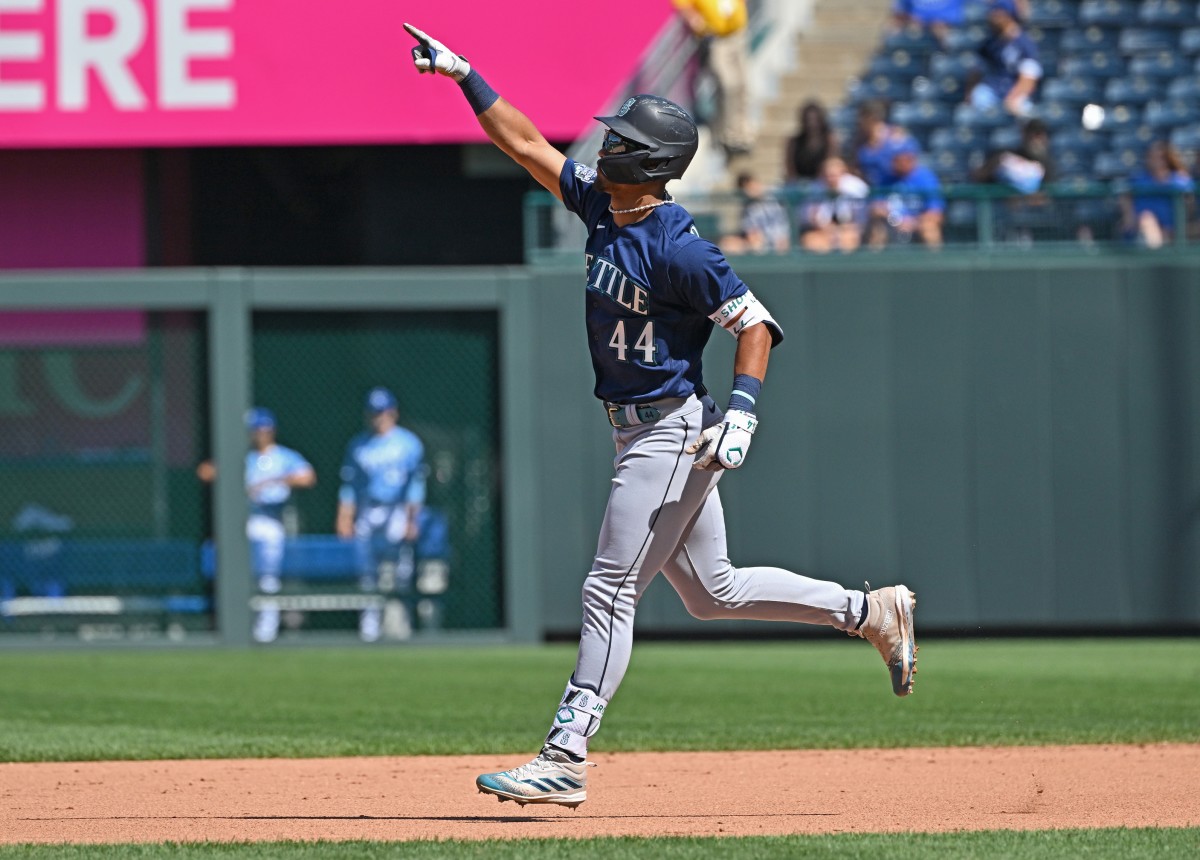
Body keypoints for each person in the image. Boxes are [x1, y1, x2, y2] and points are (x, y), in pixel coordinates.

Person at [403, 22, 919, 809]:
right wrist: (466, 75)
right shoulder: (605, 210)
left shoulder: (682, 250)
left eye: (621, 144)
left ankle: (565, 753)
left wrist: (741, 414)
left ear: (649, 165)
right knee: (715, 591)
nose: (604, 150)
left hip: (672, 429)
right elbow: (528, 149)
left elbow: (756, 326)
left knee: (610, 588)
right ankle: (869, 611)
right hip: (638, 428)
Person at [197, 407, 316, 643]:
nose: (257, 434)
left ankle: (266, 631)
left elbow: (308, 477)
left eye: (260, 429)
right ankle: (238, 626)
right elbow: (205, 472)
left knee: (268, 579)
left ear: (270, 430)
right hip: (245, 520)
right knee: (240, 575)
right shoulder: (243, 457)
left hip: (273, 519)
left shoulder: (283, 456)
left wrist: (275, 480)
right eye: (253, 430)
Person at [336, 387, 426, 642]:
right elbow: (349, 485)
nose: (379, 417)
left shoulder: (408, 443)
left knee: (402, 572)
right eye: (374, 412)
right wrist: (344, 516)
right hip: (368, 507)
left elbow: (416, 485)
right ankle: (369, 630)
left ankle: (401, 627)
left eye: (383, 412)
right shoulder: (359, 445)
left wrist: (412, 519)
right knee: (367, 572)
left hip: (397, 508)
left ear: (393, 412)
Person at [673, 0, 754, 158]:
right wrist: (695, 19)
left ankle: (742, 133)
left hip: (737, 34)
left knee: (742, 85)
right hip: (715, 39)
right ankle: (728, 136)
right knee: (727, 84)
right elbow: (682, 5)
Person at [868, 139, 945, 249]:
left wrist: (913, 223)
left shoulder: (925, 177)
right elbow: (876, 208)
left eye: (901, 158)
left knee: (930, 228)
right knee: (878, 229)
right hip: (893, 224)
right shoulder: (885, 178)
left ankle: (936, 264)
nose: (897, 162)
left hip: (918, 224)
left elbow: (936, 213)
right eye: (895, 159)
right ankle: (873, 265)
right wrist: (897, 221)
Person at [968, 0, 1041, 116]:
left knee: (1023, 108)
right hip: (993, 89)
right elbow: (976, 71)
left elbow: (1029, 78)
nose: (993, 18)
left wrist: (1013, 97)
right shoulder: (989, 43)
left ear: (1008, 14)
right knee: (979, 97)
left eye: (997, 14)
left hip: (1016, 90)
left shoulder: (1024, 43)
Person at [1120, 141, 1196, 249]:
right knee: (1147, 219)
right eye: (1153, 157)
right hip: (1143, 231)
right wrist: (1129, 215)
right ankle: (1156, 260)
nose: (1157, 161)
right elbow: (1124, 194)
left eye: (1161, 157)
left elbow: (1189, 204)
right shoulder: (1140, 179)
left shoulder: (1179, 180)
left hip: (1174, 231)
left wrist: (1176, 229)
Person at [799, 157, 870, 254]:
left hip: (848, 230)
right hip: (823, 231)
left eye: (834, 175)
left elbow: (860, 220)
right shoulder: (814, 189)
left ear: (843, 174)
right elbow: (808, 218)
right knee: (810, 241)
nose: (830, 179)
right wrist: (825, 227)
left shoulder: (856, 188)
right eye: (827, 175)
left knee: (847, 240)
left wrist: (841, 229)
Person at [719, 173, 791, 255]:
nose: (752, 189)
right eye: (746, 188)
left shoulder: (777, 193)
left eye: (751, 184)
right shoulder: (748, 210)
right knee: (728, 244)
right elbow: (752, 235)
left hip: (786, 239)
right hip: (764, 245)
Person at [850, 99, 913, 188]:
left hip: (895, 189)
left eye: (861, 119)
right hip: (872, 191)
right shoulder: (860, 142)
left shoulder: (895, 137)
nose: (859, 123)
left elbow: (908, 167)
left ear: (870, 118)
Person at [784, 101, 839, 184]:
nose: (811, 124)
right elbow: (790, 168)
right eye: (808, 120)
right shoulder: (794, 142)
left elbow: (830, 164)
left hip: (821, 182)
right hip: (799, 183)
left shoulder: (829, 140)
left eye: (814, 120)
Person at [891, 0, 966, 47]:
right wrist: (911, 20)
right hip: (919, 27)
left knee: (954, 40)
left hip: (952, 27)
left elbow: (973, 9)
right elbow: (899, 15)